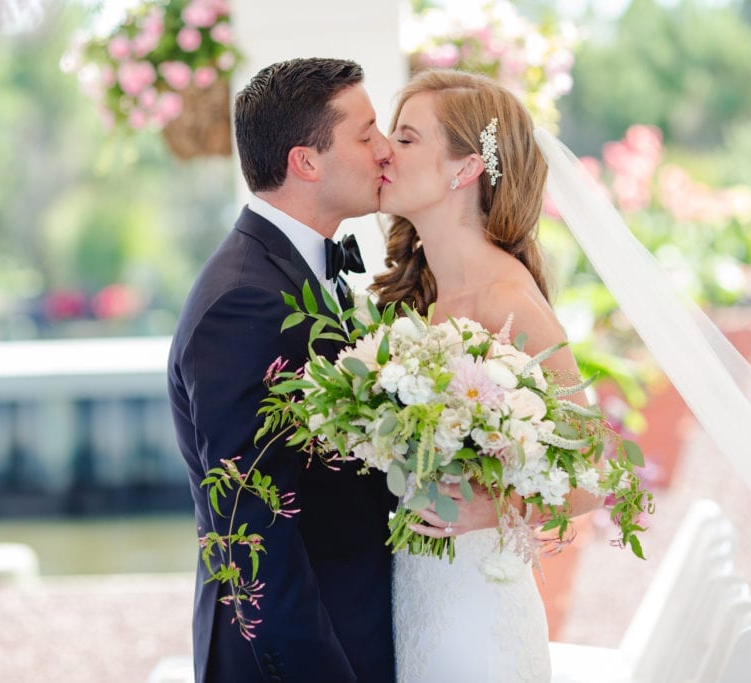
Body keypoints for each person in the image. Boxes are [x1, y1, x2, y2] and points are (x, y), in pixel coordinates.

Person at [167, 58, 397, 682]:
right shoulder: (244, 299)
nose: (384, 149)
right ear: (307, 161)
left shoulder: (304, 273)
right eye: (366, 132)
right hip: (300, 657)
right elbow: (253, 532)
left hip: (351, 625)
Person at [372, 69, 605, 682]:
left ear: (465, 168)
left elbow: (599, 472)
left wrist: (492, 511)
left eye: (407, 138)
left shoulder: (507, 301)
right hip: (414, 597)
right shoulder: (417, 297)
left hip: (478, 616)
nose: (383, 151)